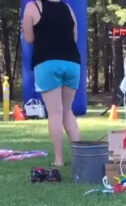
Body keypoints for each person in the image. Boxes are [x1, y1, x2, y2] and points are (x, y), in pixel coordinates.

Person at [22, 0, 82, 167]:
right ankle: (81, 157)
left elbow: (29, 38)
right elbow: (74, 36)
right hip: (72, 63)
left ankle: (59, 160)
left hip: (47, 63)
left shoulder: (32, 7)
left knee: (55, 113)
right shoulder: (67, 8)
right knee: (67, 111)